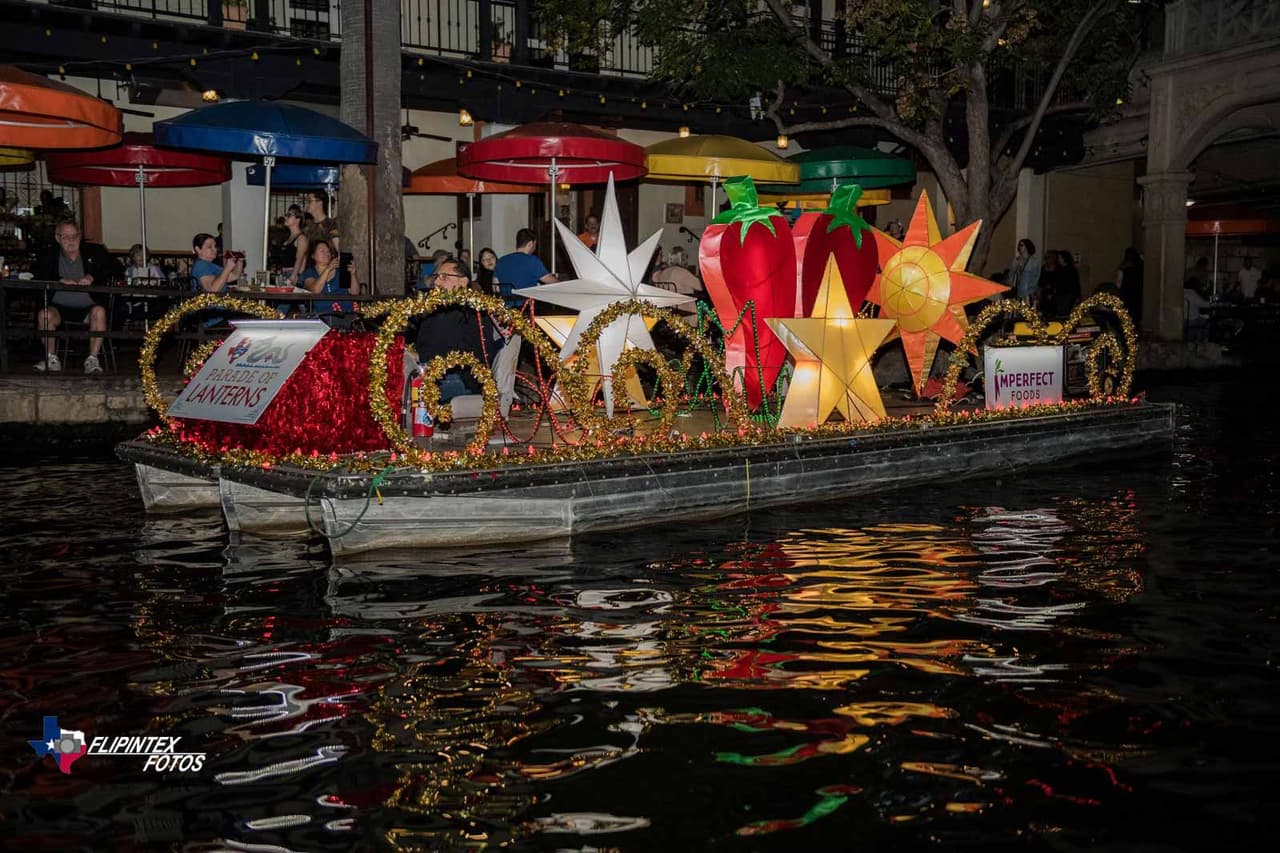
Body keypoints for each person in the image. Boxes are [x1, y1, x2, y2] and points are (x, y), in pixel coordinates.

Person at [33, 221, 121, 374]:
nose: (71, 240)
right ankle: (51, 358)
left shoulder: (95, 251)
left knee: (100, 311)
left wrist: (92, 276)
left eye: (74, 236)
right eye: (66, 237)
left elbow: (117, 267)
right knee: (44, 314)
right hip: (58, 308)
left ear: (80, 237)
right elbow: (36, 272)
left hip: (89, 307)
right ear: (57, 238)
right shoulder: (49, 255)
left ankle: (93, 359)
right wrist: (59, 279)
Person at [414, 258, 505, 404]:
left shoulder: (465, 311)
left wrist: (416, 357)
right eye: (436, 277)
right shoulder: (442, 309)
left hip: (457, 380)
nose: (437, 282)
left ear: (463, 281)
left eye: (444, 277)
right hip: (442, 375)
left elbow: (438, 350)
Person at [494, 228, 557, 308]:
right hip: (526, 308)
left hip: (505, 310)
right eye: (535, 245)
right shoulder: (532, 261)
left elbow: (495, 288)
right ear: (530, 244)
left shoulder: (501, 261)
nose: (535, 248)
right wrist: (564, 283)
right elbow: (551, 281)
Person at [298, 239, 360, 318]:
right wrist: (328, 269)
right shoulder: (309, 273)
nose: (326, 253)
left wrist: (353, 274)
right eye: (322, 251)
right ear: (313, 255)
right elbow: (315, 290)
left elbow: (355, 292)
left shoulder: (340, 271)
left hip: (346, 313)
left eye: (328, 251)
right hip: (323, 315)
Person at [272, 205, 309, 284]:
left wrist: (294, 275)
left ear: (297, 219)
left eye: (289, 215)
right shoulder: (288, 238)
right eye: (286, 215)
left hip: (293, 275)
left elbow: (300, 259)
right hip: (284, 274)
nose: (286, 218)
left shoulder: (301, 238)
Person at [1117, 246, 1145, 321]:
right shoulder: (1140, 267)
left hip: (1126, 294)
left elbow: (1119, 283)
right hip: (1138, 294)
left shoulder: (1123, 268)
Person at [1010, 238, 1041, 305]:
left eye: (1022, 245)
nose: (1019, 247)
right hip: (1019, 291)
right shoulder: (1017, 260)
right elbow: (1011, 274)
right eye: (1019, 245)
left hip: (1029, 292)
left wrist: (1033, 289)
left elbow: (1036, 277)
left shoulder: (1034, 262)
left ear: (1027, 247)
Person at [1052, 250, 1081, 318]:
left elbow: (1076, 284)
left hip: (1068, 295)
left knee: (1064, 312)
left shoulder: (1071, 270)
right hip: (1059, 294)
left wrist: (1078, 296)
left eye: (1060, 258)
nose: (1059, 260)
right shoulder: (1058, 269)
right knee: (1059, 311)